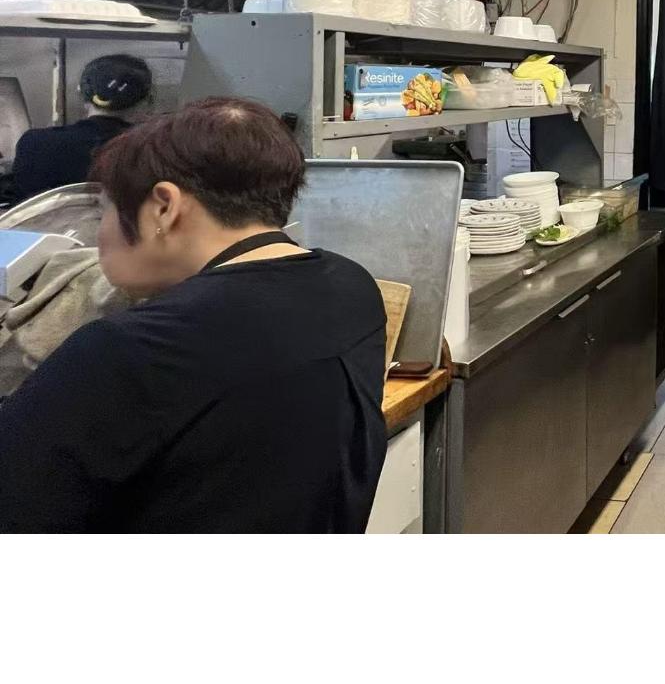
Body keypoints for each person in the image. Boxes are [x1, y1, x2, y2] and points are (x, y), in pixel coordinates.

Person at [0, 97, 388, 533]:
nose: (101, 231)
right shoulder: (352, 286)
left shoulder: (129, 350)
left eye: (106, 208)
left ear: (164, 206)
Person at [10, 53, 153, 202]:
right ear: (146, 100)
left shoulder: (34, 143)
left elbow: (21, 206)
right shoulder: (152, 148)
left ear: (81, 91)